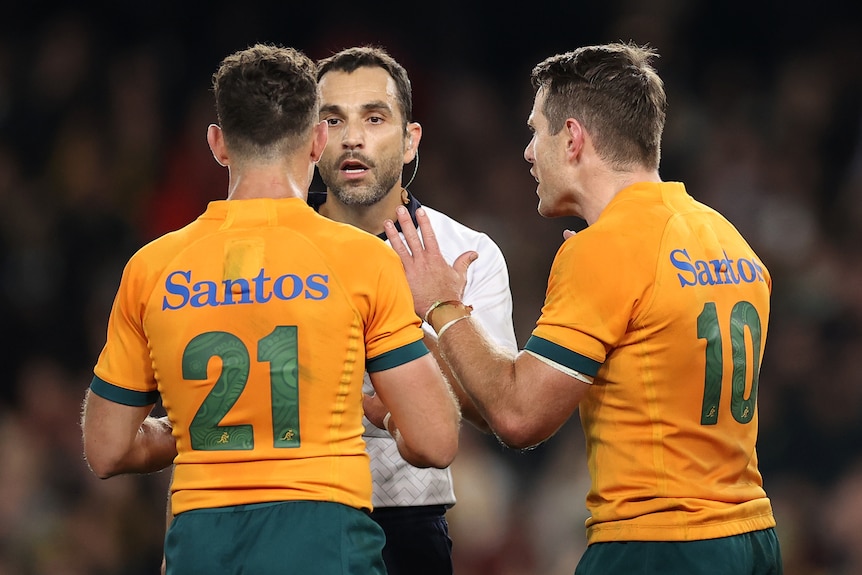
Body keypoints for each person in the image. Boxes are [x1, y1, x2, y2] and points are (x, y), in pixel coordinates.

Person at [384, 42, 783, 575]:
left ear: (572, 138)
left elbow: (520, 417)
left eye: (535, 131)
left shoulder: (606, 249)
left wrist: (441, 303)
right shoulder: (729, 240)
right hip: (752, 538)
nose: (528, 152)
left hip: (658, 545)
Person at [79, 43, 460, 575]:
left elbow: (106, 449)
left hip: (202, 547)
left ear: (218, 143)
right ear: (318, 139)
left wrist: (185, 430)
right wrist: (383, 419)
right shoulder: (362, 260)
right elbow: (436, 439)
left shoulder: (153, 267)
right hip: (327, 543)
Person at [310, 45, 518, 575]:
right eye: (333, 119)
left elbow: (497, 410)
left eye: (374, 118)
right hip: (292, 506)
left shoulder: (468, 251)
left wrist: (431, 310)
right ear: (313, 140)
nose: (352, 137)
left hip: (408, 520)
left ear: (409, 141)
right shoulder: (268, 249)